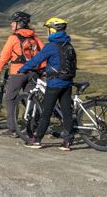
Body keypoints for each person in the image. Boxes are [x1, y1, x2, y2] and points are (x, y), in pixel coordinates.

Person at [18, 17, 75, 151]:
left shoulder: (51, 46)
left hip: (54, 83)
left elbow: (36, 60)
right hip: (67, 82)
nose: (48, 32)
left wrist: (23, 69)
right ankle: (67, 142)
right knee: (67, 112)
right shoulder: (68, 44)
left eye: (49, 29)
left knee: (46, 113)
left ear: (53, 30)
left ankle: (37, 140)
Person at [0, 11, 45, 137]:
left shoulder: (13, 38)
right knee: (31, 99)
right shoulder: (34, 37)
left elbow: (4, 55)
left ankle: (12, 129)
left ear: (19, 24)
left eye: (13, 22)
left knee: (10, 98)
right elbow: (44, 52)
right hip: (33, 73)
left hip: (17, 73)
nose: (11, 24)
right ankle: (32, 126)